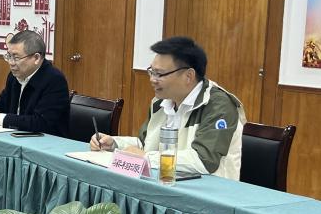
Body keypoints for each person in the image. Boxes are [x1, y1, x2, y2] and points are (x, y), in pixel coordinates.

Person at [90, 36, 245, 179]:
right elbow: (145, 144)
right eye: (151, 72)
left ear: (188, 76)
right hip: (167, 184)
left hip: (209, 192)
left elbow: (204, 160)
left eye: (160, 74)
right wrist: (114, 144)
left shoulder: (218, 106)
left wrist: (146, 157)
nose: (152, 79)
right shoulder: (161, 102)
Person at [0, 30, 69, 135]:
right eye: (9, 56)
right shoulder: (14, 76)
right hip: (16, 138)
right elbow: (2, 103)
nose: (11, 63)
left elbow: (40, 122)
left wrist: (0, 118)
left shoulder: (54, 80)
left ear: (36, 58)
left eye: (16, 57)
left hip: (47, 141)